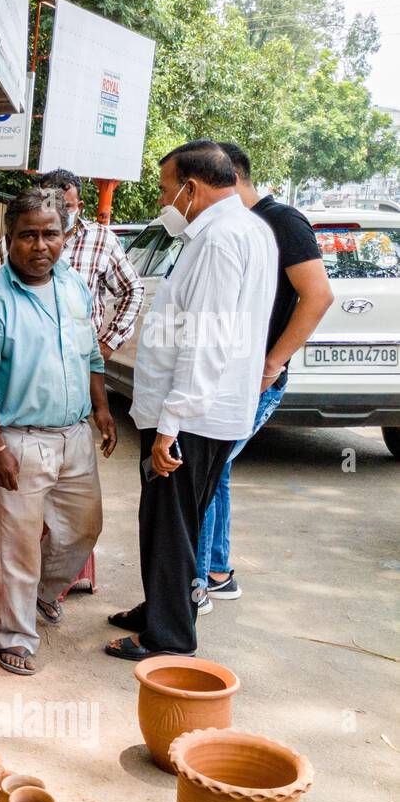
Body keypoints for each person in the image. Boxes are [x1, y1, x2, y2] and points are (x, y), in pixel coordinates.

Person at [107, 141, 276, 660]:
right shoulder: (248, 231)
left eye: (165, 190)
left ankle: (168, 635)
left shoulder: (221, 240)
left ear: (192, 188)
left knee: (171, 524)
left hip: (194, 416)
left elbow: (206, 342)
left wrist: (170, 424)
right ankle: (160, 605)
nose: (164, 201)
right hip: (209, 410)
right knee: (174, 519)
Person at [0, 189, 117, 675]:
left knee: (83, 528)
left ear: (65, 237)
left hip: (74, 435)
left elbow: (90, 353)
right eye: (28, 234)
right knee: (19, 545)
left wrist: (102, 408)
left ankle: (44, 594)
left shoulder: (72, 286)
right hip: (19, 440)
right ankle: (15, 634)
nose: (40, 244)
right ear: (9, 239)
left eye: (50, 233)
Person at [192, 142, 333, 614]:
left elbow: (318, 296)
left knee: (204, 469)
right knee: (218, 469)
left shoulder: (282, 222)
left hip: (254, 379)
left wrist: (271, 366)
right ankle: (216, 570)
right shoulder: (239, 227)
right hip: (229, 375)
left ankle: (195, 585)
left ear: (226, 176)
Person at [0, 168, 145, 359]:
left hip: (78, 359)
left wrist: (108, 343)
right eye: (52, 205)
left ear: (79, 205)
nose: (58, 214)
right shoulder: (12, 245)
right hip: (21, 358)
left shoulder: (102, 240)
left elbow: (133, 290)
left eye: (66, 207)